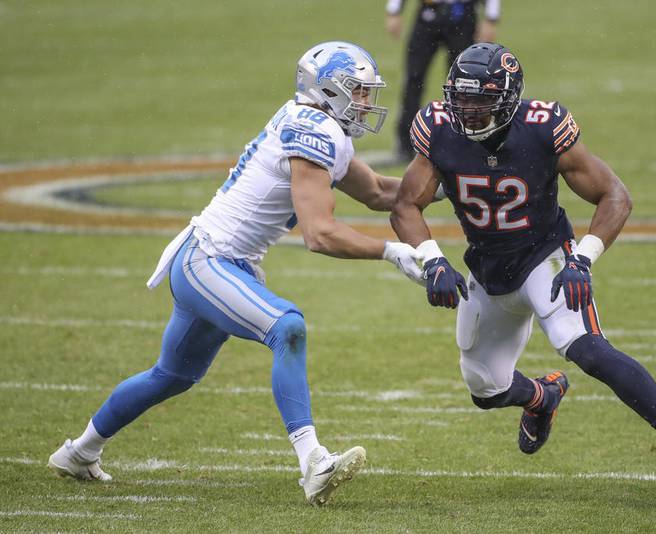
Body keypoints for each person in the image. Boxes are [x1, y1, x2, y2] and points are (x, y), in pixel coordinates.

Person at [48, 41, 425, 506]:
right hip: (209, 261)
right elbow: (320, 234)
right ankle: (313, 462)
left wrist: (453, 180)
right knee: (287, 328)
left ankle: (79, 452)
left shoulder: (325, 130)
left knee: (171, 375)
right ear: (327, 89)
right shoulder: (315, 131)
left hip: (213, 262)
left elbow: (383, 193)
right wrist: (392, 252)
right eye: (358, 92)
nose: (367, 103)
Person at [390, 43, 656, 504]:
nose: (467, 111)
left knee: (585, 347)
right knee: (484, 388)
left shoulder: (543, 128)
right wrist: (432, 260)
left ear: (507, 99)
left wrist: (582, 258)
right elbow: (407, 204)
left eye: (480, 100)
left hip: (544, 255)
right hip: (487, 268)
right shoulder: (440, 129)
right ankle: (540, 398)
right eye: (461, 99)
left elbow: (614, 195)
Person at [386, 0, 500, 162]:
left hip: (463, 15)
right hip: (428, 13)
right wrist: (394, 10)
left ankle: (463, 141)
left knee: (464, 84)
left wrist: (491, 17)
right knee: (413, 79)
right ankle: (406, 144)